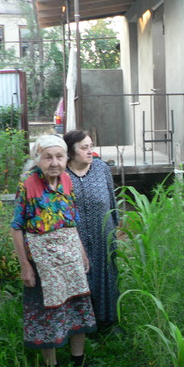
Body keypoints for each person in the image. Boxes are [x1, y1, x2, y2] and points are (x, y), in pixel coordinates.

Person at [11, 134, 96, 367]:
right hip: (42, 260)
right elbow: (16, 227)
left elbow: (72, 220)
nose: (55, 163)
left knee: (78, 303)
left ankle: (78, 361)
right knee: (46, 311)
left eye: (59, 156)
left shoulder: (66, 180)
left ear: (67, 158)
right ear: (38, 159)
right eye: (48, 157)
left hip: (70, 253)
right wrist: (25, 266)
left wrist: (81, 252)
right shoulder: (28, 183)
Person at [63, 130, 120, 331]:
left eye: (91, 146)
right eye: (84, 148)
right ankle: (82, 325)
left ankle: (108, 321)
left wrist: (114, 227)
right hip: (75, 237)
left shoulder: (101, 168)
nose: (90, 151)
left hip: (102, 232)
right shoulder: (62, 174)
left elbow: (111, 200)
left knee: (107, 275)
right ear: (71, 152)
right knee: (80, 276)